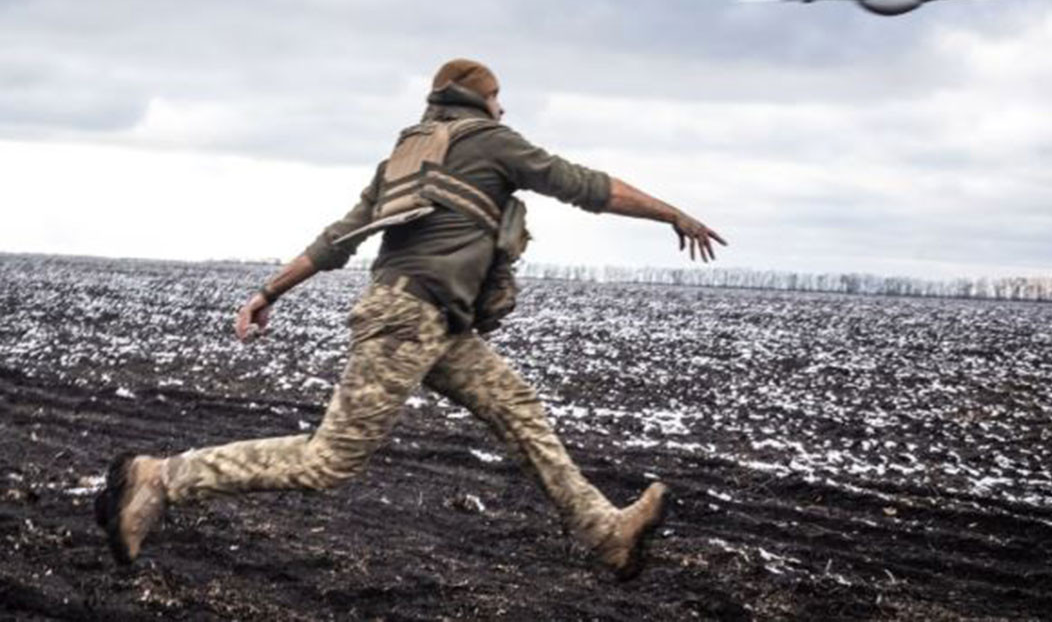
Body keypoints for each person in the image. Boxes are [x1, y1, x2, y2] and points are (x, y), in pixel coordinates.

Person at [95, 58, 726, 580]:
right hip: (406, 318)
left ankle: (603, 530)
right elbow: (586, 185)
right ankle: (160, 478)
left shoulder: (407, 154)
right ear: (479, 100)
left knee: (517, 409)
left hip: (440, 324)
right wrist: (672, 213)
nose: (505, 110)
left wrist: (271, 290)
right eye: (499, 98)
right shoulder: (490, 141)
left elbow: (338, 239)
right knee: (328, 461)